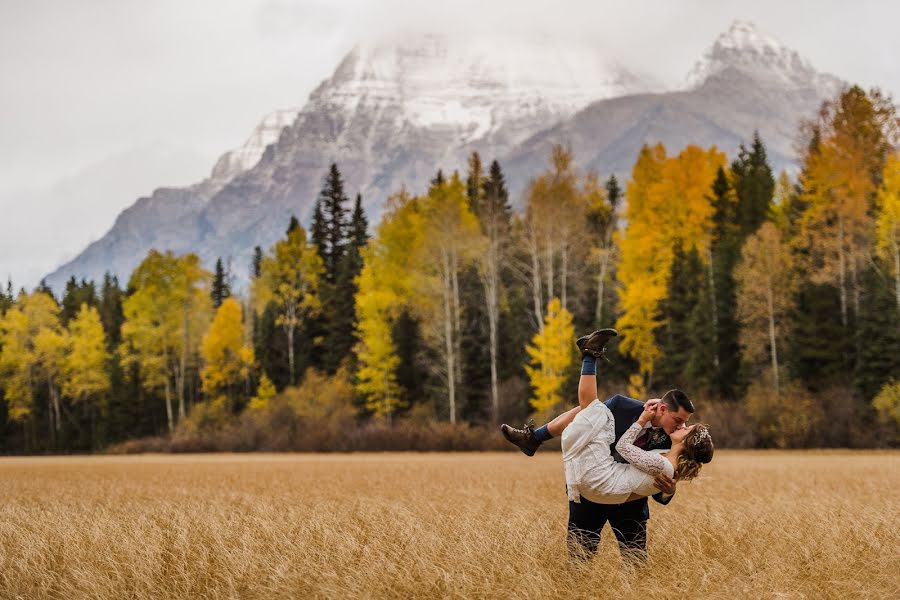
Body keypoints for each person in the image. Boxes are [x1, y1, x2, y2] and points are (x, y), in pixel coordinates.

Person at [501, 329, 714, 561]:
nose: (679, 427)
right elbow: (586, 412)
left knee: (636, 564)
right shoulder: (622, 406)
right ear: (662, 409)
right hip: (589, 495)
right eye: (678, 420)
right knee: (579, 562)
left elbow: (661, 482)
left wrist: (669, 491)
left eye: (684, 424)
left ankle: (533, 438)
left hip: (630, 506)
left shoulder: (671, 441)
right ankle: (533, 438)